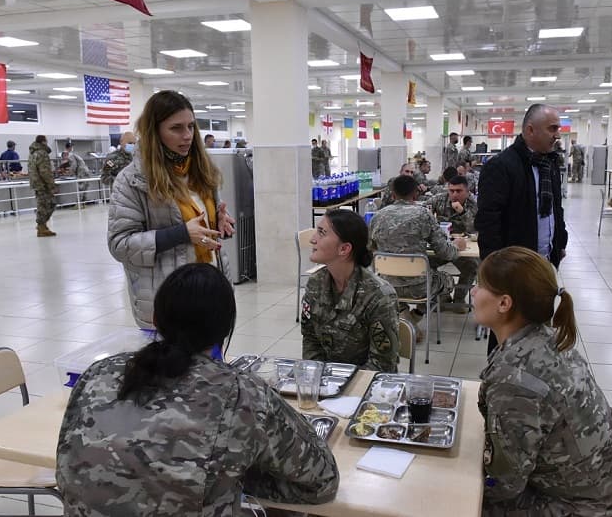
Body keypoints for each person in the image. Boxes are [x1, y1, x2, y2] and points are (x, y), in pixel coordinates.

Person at [57, 263, 340, 515]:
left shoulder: (97, 375)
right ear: (225, 330)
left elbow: (68, 463)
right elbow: (322, 480)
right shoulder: (243, 394)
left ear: (155, 320)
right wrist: (229, 477)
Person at [473, 247, 612, 517]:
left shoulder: (515, 380)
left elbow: (505, 485)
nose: (473, 292)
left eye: (480, 285)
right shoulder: (549, 338)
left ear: (504, 303)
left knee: (462, 500)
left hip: (594, 508)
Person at [107, 90, 236, 329]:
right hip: (167, 299)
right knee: (174, 366)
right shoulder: (133, 180)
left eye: (191, 126)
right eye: (176, 128)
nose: (187, 136)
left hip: (211, 289)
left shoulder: (201, 170)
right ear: (154, 132)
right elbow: (119, 245)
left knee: (212, 365)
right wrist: (181, 234)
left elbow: (204, 229)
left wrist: (220, 224)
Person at [475, 104, 568, 354]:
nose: (557, 134)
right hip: (511, 268)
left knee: (538, 329)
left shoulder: (549, 164)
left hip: (544, 262)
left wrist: (560, 243)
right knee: (507, 331)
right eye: (552, 128)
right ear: (530, 130)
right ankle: (499, 381)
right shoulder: (502, 166)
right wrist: (493, 270)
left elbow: (555, 209)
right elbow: (487, 220)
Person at [301, 210, 400, 372]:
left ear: (344, 249)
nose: (313, 240)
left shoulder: (378, 295)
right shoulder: (315, 283)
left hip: (365, 385)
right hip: (326, 382)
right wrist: (318, 376)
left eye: (321, 233)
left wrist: (342, 386)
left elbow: (382, 364)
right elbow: (310, 338)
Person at [370, 175, 466, 337]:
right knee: (447, 280)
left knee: (397, 289)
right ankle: (417, 316)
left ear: (392, 195)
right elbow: (446, 252)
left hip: (387, 285)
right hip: (420, 287)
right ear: (416, 194)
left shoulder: (377, 216)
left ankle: (404, 315)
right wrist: (457, 246)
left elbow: (370, 249)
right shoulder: (423, 215)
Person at [427, 175, 478, 306]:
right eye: (451, 190)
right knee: (426, 263)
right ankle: (443, 295)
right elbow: (423, 212)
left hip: (462, 247)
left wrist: (462, 213)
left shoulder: (473, 203)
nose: (454, 194)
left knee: (472, 266)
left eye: (459, 191)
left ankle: (459, 300)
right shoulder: (439, 199)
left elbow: (475, 229)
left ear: (467, 191)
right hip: (442, 246)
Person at [28, 136, 57, 237]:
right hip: (43, 184)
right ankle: (41, 226)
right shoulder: (42, 153)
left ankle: (42, 226)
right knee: (49, 204)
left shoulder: (32, 153)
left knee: (42, 205)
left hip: (36, 183)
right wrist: (51, 185)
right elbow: (44, 171)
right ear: (44, 142)